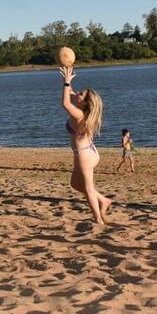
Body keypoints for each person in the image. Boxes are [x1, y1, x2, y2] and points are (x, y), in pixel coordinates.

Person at [60, 65, 112, 225]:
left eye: (81, 94)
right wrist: (66, 81)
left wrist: (67, 83)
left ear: (85, 103)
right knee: (75, 184)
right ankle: (103, 200)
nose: (77, 94)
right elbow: (71, 95)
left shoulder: (79, 115)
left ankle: (98, 219)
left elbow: (65, 104)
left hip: (84, 156)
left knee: (88, 188)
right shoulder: (84, 111)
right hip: (89, 152)